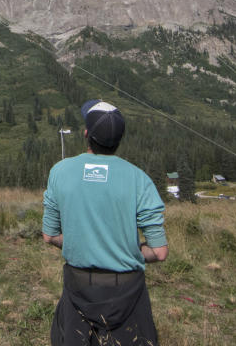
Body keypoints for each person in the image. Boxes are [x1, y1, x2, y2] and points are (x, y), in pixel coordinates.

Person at [42, 99, 168, 346]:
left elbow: (49, 235)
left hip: (78, 286)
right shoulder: (139, 179)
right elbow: (159, 252)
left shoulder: (60, 171)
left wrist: (83, 244)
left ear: (87, 134)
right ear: (119, 140)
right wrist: (126, 251)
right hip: (127, 291)